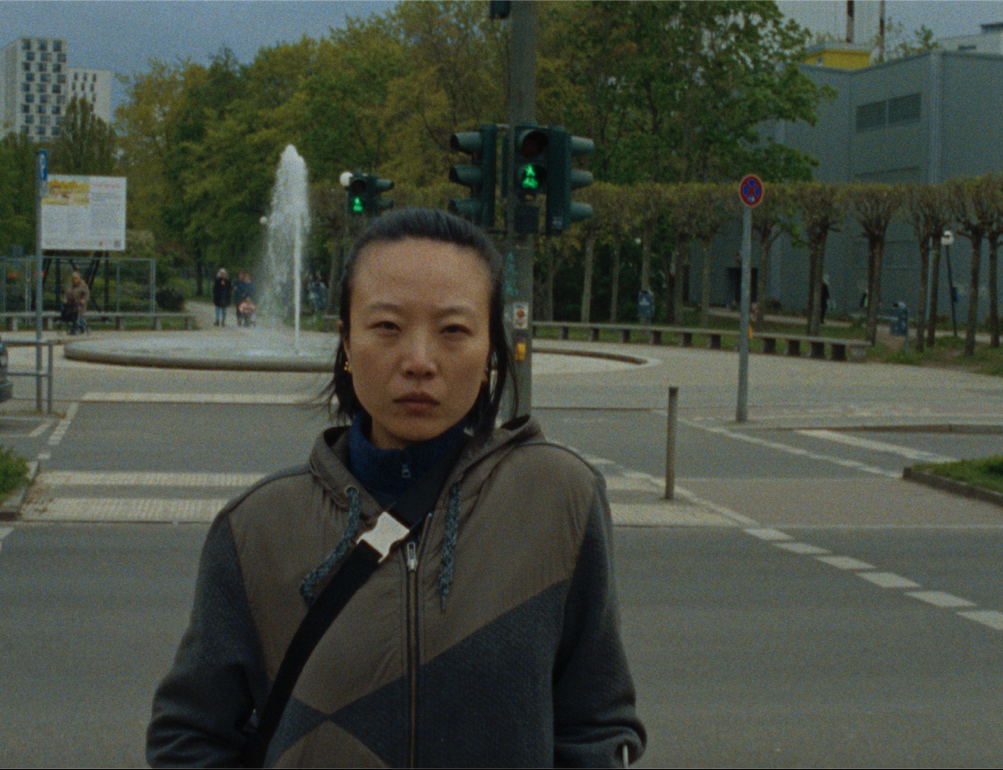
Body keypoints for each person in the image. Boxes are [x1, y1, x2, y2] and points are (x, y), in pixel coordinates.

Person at [147, 208, 646, 767]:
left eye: (453, 330)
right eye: (387, 326)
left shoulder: (560, 498)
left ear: (490, 350)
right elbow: (188, 736)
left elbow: (597, 725)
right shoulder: (256, 527)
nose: (419, 362)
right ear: (345, 341)